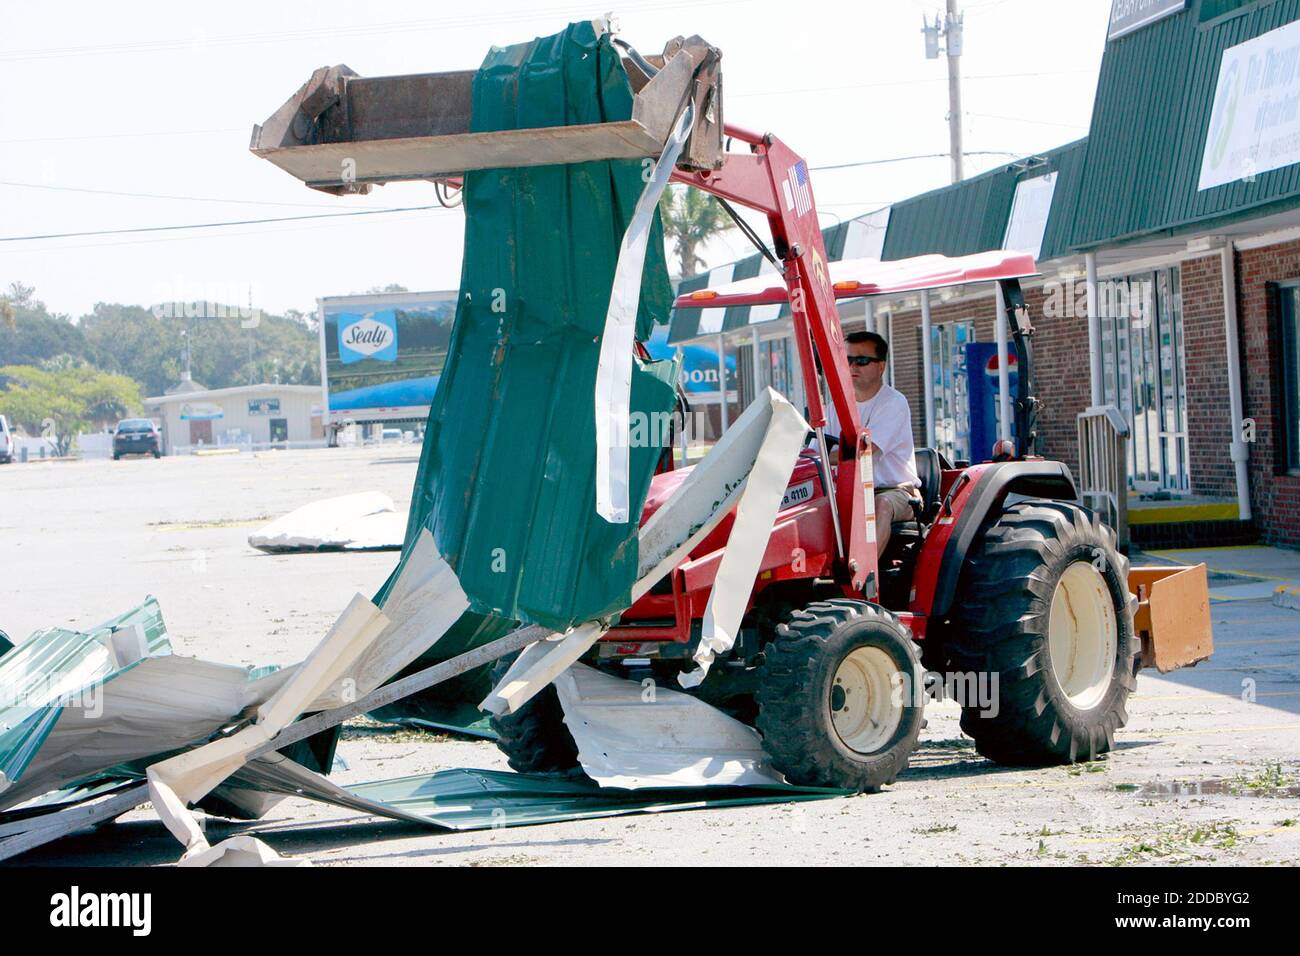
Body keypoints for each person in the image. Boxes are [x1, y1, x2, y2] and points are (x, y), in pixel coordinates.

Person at [819, 331, 919, 556]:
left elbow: (864, 451)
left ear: (881, 366)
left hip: (895, 491)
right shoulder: (835, 407)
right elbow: (815, 453)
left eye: (862, 361)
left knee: (879, 505)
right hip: (845, 491)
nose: (853, 367)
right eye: (848, 360)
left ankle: (864, 580)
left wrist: (825, 456)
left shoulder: (894, 403)